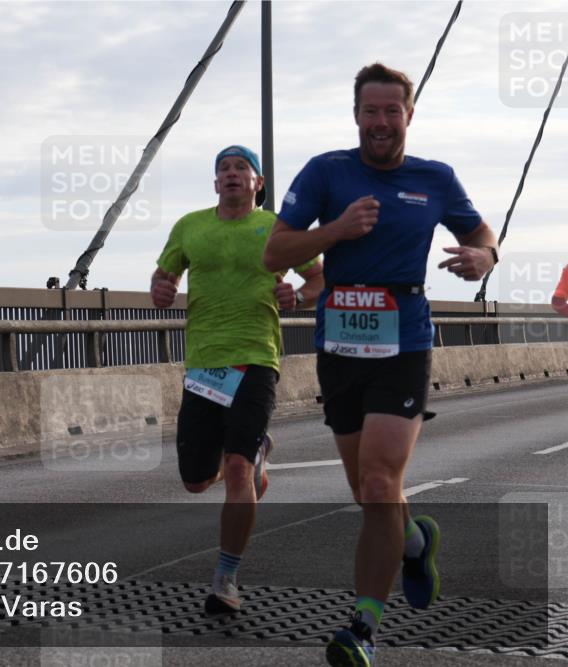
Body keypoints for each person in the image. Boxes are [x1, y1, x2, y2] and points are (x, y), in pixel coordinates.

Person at [263, 63, 499, 666]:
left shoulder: (435, 178)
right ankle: (415, 541)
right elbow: (275, 251)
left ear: (409, 115)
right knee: (370, 497)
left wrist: (483, 257)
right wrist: (336, 230)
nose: (381, 122)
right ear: (356, 116)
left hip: (405, 339)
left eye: (393, 110)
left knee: (377, 480)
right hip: (340, 343)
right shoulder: (327, 171)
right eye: (371, 111)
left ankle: (363, 628)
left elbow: (482, 234)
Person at [151, 145, 324, 614]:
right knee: (194, 480)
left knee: (237, 472)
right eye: (223, 169)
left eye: (241, 168)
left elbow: (318, 280)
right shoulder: (190, 225)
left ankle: (226, 579)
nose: (231, 175)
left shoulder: (276, 228)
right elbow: (162, 278)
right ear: (215, 184)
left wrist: (299, 297)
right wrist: (161, 288)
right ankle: (260, 451)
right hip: (204, 363)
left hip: (256, 358)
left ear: (258, 183)